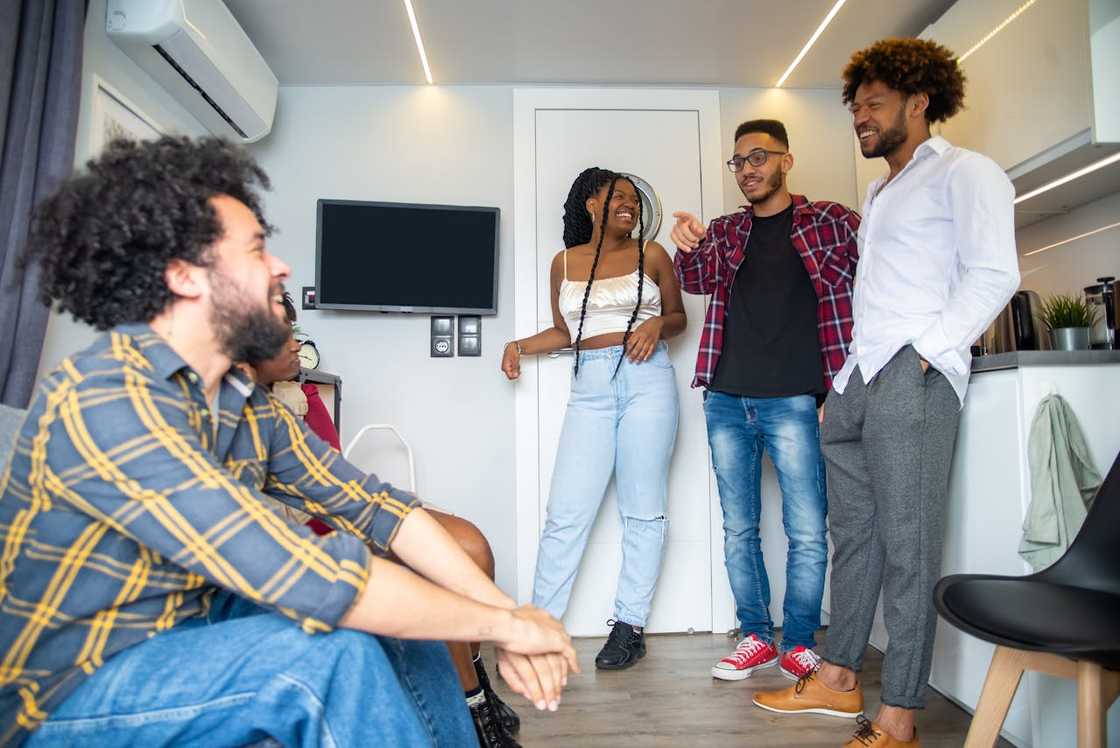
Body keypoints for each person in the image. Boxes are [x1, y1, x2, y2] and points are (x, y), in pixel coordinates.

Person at [0, 136, 576, 747]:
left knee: (402, 621)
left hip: (192, 630)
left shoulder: (245, 407)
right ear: (183, 276)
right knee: (323, 663)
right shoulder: (108, 397)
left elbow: (382, 508)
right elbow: (311, 575)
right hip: (72, 689)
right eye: (256, 249)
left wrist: (510, 616)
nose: (281, 267)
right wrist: (507, 627)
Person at [752, 39, 1020, 748]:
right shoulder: (880, 191)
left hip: (911, 374)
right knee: (856, 540)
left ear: (919, 100)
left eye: (873, 103)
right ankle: (840, 678)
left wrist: (929, 357)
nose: (860, 118)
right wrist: (842, 381)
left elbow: (995, 274)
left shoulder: (968, 173)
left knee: (908, 546)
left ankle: (900, 713)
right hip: (858, 380)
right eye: (854, 107)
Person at [245, 293, 522, 746]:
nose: (297, 345)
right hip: (290, 557)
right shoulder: (192, 415)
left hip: (331, 527)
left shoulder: (287, 405)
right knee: (417, 605)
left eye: (297, 333)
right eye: (286, 334)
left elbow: (345, 487)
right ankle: (474, 709)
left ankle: (474, 696)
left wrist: (509, 619)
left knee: (467, 545)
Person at [671, 119, 860, 682]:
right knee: (740, 528)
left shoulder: (831, 221)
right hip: (727, 398)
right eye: (739, 161)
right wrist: (688, 243)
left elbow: (879, 281)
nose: (748, 169)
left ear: (786, 160)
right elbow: (699, 281)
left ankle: (799, 642)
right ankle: (754, 635)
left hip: (798, 401)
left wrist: (841, 388)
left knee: (806, 529)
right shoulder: (729, 230)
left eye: (759, 157)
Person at [500, 168, 686, 670]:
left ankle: (630, 626)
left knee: (643, 509)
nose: (629, 205)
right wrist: (517, 345)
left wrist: (655, 323)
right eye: (618, 197)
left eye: (634, 200)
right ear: (591, 203)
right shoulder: (563, 263)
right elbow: (566, 331)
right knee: (566, 512)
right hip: (591, 389)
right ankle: (540, 629)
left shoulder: (654, 255)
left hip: (648, 382)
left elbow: (678, 317)